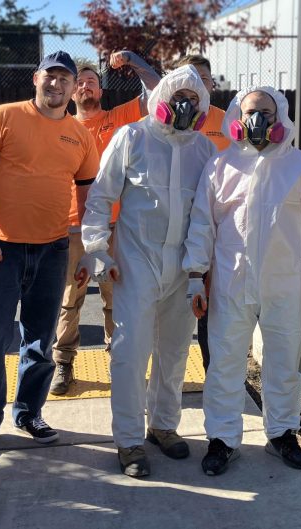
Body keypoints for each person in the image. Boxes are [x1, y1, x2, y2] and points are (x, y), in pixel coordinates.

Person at [184, 86, 301, 475]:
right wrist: (194, 275)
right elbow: (202, 224)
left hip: (282, 284)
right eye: (251, 111)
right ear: (237, 116)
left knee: (284, 361)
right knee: (224, 363)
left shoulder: (299, 165)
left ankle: (282, 435)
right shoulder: (220, 166)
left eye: (266, 113)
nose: (258, 120)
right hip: (229, 283)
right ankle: (222, 439)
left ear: (280, 118)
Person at [78, 65, 217, 478]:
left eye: (194, 100)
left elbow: (204, 217)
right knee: (130, 351)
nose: (185, 105)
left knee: (175, 350)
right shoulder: (132, 136)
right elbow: (101, 196)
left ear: (203, 105)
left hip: (181, 265)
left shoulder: (203, 150)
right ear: (162, 97)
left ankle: (163, 425)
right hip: (136, 261)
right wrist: (97, 249)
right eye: (179, 96)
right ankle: (129, 441)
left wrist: (197, 271)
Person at [0, 51, 100, 455]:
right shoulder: (4, 116)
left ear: (74, 86)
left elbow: (89, 195)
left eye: (65, 78)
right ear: (35, 78)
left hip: (53, 249)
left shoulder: (80, 135)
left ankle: (28, 412)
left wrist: (91, 249)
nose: (56, 84)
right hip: (0, 249)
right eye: (50, 75)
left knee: (40, 340)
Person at [49, 51, 161, 395]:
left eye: (91, 81)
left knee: (116, 297)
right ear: (70, 91)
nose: (85, 86)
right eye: (79, 82)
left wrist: (135, 62)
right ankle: (63, 363)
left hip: (116, 226)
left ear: (101, 89)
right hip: (72, 227)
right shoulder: (58, 127)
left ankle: (119, 360)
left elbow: (156, 92)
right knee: (71, 299)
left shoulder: (120, 119)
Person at [170, 54, 232, 372]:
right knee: (168, 318)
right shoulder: (159, 128)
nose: (196, 85)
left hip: (214, 232)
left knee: (209, 309)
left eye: (203, 80)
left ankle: (212, 375)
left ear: (210, 86)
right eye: (188, 79)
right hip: (170, 235)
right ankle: (164, 380)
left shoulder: (228, 120)